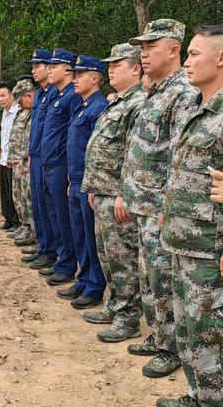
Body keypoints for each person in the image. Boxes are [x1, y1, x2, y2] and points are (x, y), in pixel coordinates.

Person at [122, 19, 198, 378]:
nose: (143, 52)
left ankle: (171, 348)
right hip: (144, 205)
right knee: (149, 277)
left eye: (151, 46)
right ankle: (159, 335)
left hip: (160, 208)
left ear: (173, 50)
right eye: (142, 46)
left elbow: (180, 157)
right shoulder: (157, 91)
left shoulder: (182, 93)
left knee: (163, 279)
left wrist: (168, 206)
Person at [157, 24, 223, 407]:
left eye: (194, 53)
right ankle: (197, 394)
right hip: (183, 242)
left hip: (211, 249)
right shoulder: (197, 107)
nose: (187, 61)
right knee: (190, 330)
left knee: (212, 333)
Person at [81, 43, 147, 342]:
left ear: (136, 68)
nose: (110, 69)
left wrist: (122, 192)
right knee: (108, 257)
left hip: (118, 197)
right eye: (109, 64)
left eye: (117, 65)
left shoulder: (138, 104)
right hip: (103, 193)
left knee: (123, 259)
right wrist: (94, 188)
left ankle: (129, 318)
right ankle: (114, 304)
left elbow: (134, 154)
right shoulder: (118, 102)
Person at [56, 55, 108, 309]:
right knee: (79, 233)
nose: (75, 80)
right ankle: (84, 278)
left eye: (80, 75)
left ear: (95, 78)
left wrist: (91, 184)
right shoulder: (83, 106)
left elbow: (97, 151)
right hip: (75, 180)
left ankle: (95, 285)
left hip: (88, 183)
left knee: (90, 235)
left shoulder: (99, 108)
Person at [36, 49, 80, 285]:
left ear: (68, 69)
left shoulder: (73, 96)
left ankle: (67, 264)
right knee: (54, 214)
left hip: (62, 164)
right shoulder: (58, 95)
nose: (50, 70)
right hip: (49, 162)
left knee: (64, 217)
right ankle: (61, 259)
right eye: (49, 66)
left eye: (55, 66)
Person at [21, 49, 61, 269]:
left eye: (38, 66)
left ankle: (53, 251)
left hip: (48, 157)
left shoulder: (56, 93)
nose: (33, 70)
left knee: (50, 208)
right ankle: (44, 246)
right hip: (35, 155)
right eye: (33, 66)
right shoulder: (41, 93)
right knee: (38, 205)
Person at [7, 78, 36, 246]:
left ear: (29, 95)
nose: (19, 103)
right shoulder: (22, 112)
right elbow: (15, 137)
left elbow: (29, 140)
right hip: (17, 160)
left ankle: (32, 230)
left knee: (28, 198)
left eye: (21, 99)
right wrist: (12, 156)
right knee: (18, 196)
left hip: (26, 161)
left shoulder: (34, 113)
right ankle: (24, 225)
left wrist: (23, 157)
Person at [0, 82, 20, 231]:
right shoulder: (4, 113)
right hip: (4, 157)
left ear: (12, 96)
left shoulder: (18, 112)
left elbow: (16, 137)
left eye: (3, 96)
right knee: (5, 191)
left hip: (13, 158)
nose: (0, 99)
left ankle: (16, 221)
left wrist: (12, 155)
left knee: (14, 192)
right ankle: (8, 220)